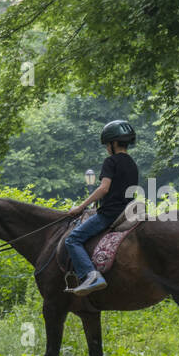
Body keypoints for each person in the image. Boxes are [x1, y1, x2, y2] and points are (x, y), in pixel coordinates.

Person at [64, 120, 140, 295]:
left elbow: (104, 188)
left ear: (113, 144)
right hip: (126, 211)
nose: (107, 148)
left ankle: (91, 276)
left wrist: (80, 207)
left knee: (73, 239)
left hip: (110, 214)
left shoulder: (111, 161)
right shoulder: (132, 164)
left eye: (107, 144)